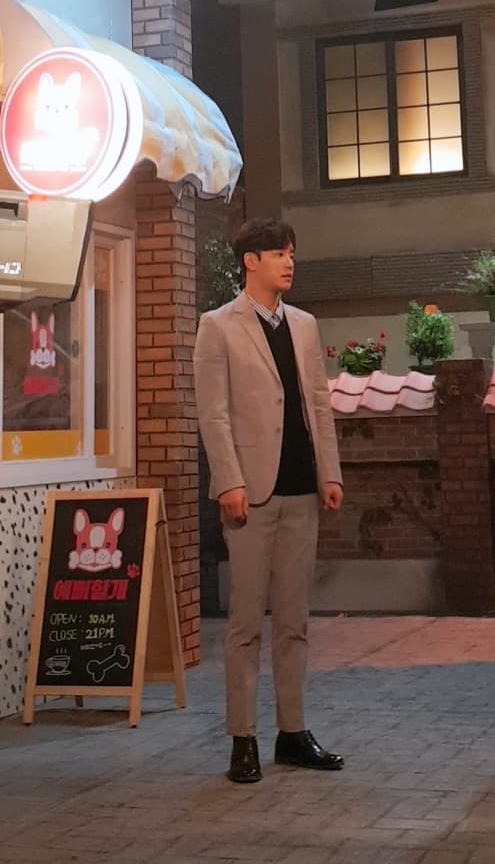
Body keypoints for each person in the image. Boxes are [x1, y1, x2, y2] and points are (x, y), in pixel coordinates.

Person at [194, 217, 344, 784]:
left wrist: (329, 472)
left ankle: (292, 733)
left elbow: (318, 404)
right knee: (244, 624)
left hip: (302, 489)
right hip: (250, 493)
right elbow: (213, 413)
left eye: (292, 253)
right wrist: (228, 481)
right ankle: (243, 738)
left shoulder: (304, 325)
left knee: (294, 621)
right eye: (279, 253)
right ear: (250, 261)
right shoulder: (218, 326)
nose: (289, 262)